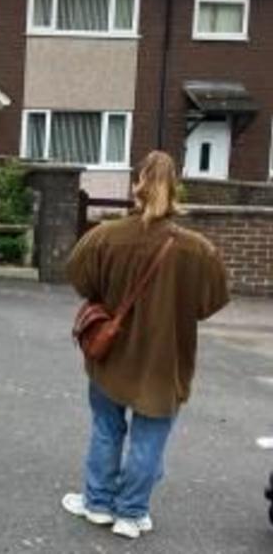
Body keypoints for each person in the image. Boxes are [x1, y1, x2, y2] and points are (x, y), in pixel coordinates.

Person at [61, 151, 228, 540]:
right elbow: (210, 302)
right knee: (149, 436)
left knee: (106, 427)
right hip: (164, 358)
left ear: (136, 184)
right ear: (176, 187)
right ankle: (132, 513)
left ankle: (98, 502)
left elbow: (81, 281)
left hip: (110, 355)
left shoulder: (105, 236)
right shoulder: (197, 249)